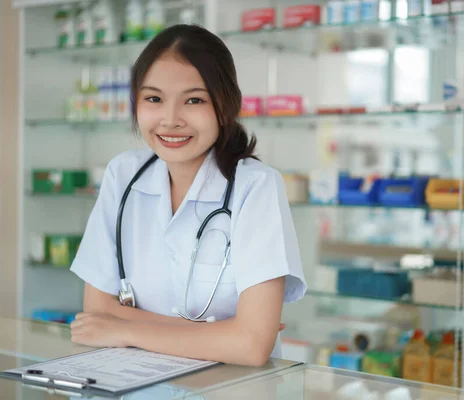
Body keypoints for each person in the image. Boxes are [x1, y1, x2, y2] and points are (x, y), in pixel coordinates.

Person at [69, 24, 307, 367]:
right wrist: (222, 333)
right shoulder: (122, 175)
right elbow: (96, 311)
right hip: (133, 379)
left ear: (225, 106)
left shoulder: (255, 187)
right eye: (154, 99)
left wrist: (127, 329)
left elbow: (252, 347)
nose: (170, 119)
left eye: (194, 100)